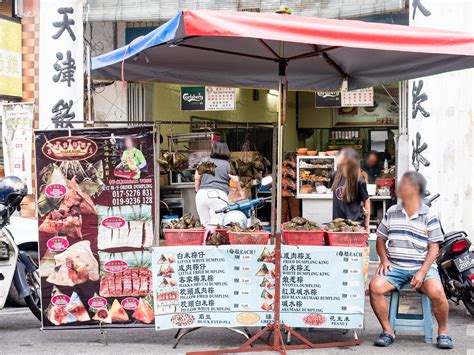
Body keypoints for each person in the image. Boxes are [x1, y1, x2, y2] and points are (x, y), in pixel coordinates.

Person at [369, 171, 452, 349]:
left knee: (437, 292)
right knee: (375, 287)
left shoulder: (429, 215)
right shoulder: (392, 212)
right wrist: (383, 259)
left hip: (422, 266)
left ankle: (443, 333)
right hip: (396, 266)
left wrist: (422, 272)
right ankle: (388, 331)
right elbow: (380, 239)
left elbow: (434, 248)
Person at [194, 141, 235, 226]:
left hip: (202, 195)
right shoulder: (227, 164)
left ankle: (206, 239)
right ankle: (214, 238)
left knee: (204, 223)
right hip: (218, 195)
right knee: (217, 223)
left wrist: (197, 190)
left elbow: (197, 178)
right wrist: (241, 191)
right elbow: (236, 180)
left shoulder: (206, 161)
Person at [331, 148, 370, 230]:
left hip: (355, 225)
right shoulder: (334, 175)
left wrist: (367, 226)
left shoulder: (359, 181)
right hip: (338, 224)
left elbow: (366, 201)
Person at [281, 152, 300, 222]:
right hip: (292, 192)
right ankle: (295, 226)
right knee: (295, 212)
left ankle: (280, 228)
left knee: (282, 212)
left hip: (282, 192)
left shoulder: (280, 165)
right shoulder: (294, 165)